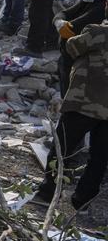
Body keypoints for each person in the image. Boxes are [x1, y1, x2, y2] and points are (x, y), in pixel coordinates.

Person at [32, 12, 108, 211]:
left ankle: (47, 192)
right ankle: (82, 200)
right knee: (99, 157)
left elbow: (71, 47)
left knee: (61, 148)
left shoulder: (97, 31)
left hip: (85, 102)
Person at [55, 0, 108, 96]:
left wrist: (61, 24)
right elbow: (63, 14)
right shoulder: (87, 1)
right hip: (68, 58)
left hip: (82, 64)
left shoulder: (100, 9)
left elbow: (72, 27)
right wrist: (59, 21)